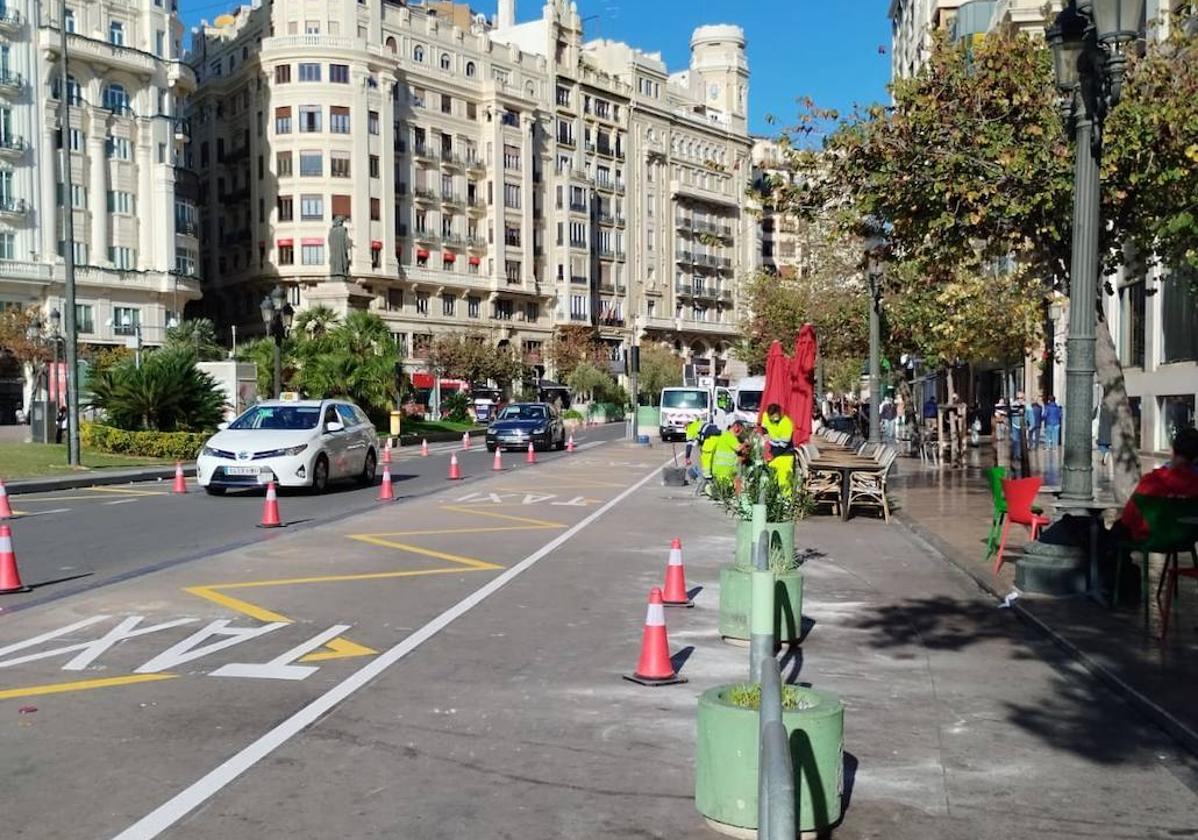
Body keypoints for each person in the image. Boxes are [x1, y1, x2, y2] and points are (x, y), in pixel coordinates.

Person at [1114, 427, 1198, 544]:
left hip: (1150, 536)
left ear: (1172, 450)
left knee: (1114, 530)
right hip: (1187, 538)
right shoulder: (1194, 483)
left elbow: (1128, 517)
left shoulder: (1152, 480)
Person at [760, 403, 796, 494]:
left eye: (776, 419)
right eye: (772, 419)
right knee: (771, 476)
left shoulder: (787, 423)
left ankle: (786, 502)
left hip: (785, 454)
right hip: (774, 450)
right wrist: (766, 442)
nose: (774, 421)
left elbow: (783, 446)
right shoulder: (765, 416)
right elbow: (764, 428)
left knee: (783, 480)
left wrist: (771, 456)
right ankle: (774, 499)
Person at [711, 419, 747, 485]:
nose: (740, 434)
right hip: (722, 470)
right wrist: (746, 443)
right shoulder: (728, 436)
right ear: (736, 428)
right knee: (724, 490)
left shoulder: (732, 437)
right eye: (740, 432)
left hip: (727, 469)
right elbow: (738, 448)